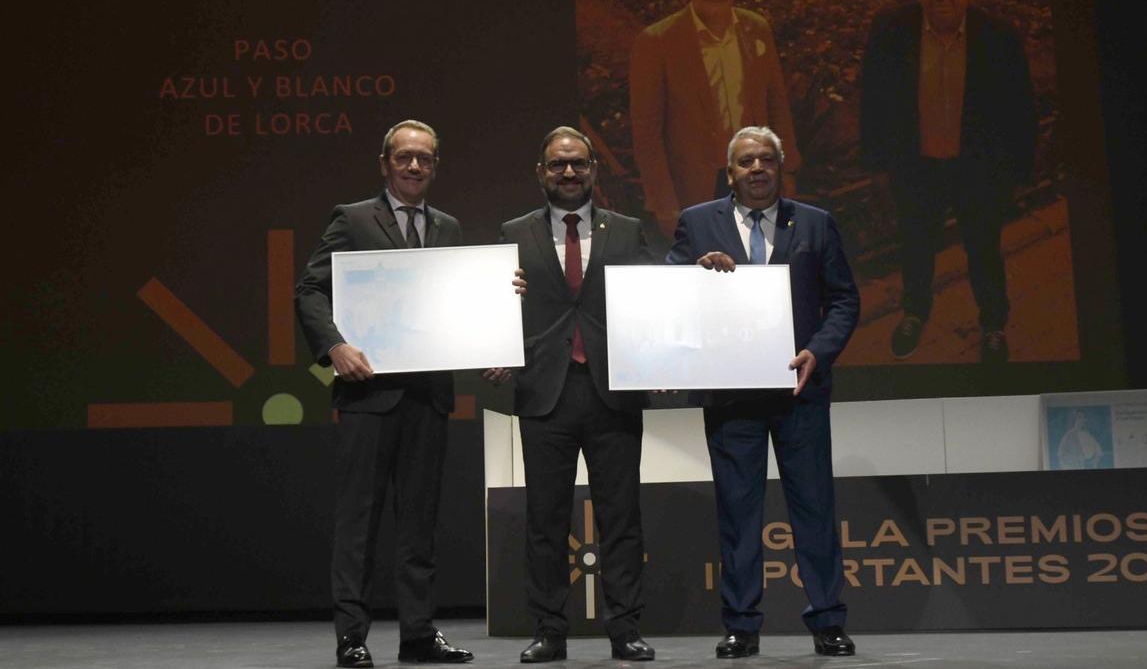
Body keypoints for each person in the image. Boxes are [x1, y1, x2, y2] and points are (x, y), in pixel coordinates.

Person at [667, 126, 859, 658]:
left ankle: (828, 620)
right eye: (746, 161)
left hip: (800, 391)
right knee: (737, 513)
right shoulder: (697, 222)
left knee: (814, 508)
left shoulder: (816, 223)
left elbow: (843, 300)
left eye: (766, 160)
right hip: (731, 397)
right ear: (730, 173)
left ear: (780, 166)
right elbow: (668, 290)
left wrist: (817, 351)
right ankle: (741, 625)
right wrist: (695, 272)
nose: (757, 169)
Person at [295, 120, 474, 667]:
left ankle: (418, 634)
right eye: (404, 157)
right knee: (359, 521)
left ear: (435, 166)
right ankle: (352, 636)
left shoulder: (448, 226)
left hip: (427, 397)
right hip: (367, 395)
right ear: (385, 163)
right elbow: (309, 290)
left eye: (424, 158)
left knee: (419, 522)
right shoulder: (351, 220)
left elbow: (454, 305)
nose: (415, 166)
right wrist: (335, 348)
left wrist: (496, 299)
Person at [492, 126, 655, 663]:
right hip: (544, 394)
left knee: (621, 519)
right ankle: (549, 632)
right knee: (546, 520)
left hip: (613, 392)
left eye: (579, 164)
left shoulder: (627, 230)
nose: (569, 173)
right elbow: (493, 307)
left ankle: (625, 631)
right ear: (541, 172)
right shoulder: (513, 232)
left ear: (593, 171)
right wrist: (492, 343)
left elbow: (655, 304)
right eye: (558, 165)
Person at [860, 0, 1036, 363]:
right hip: (917, 166)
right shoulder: (892, 30)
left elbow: (1020, 104)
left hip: (975, 169)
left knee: (984, 248)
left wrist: (1020, 171)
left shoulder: (997, 36)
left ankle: (993, 324)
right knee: (916, 245)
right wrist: (876, 165)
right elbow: (873, 99)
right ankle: (915, 313)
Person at [630, 0, 801, 238]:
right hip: (692, 187)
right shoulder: (657, 41)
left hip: (753, 175)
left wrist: (787, 169)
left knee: (758, 267)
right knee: (706, 271)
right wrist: (664, 204)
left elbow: (776, 104)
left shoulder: (756, 29)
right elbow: (647, 133)